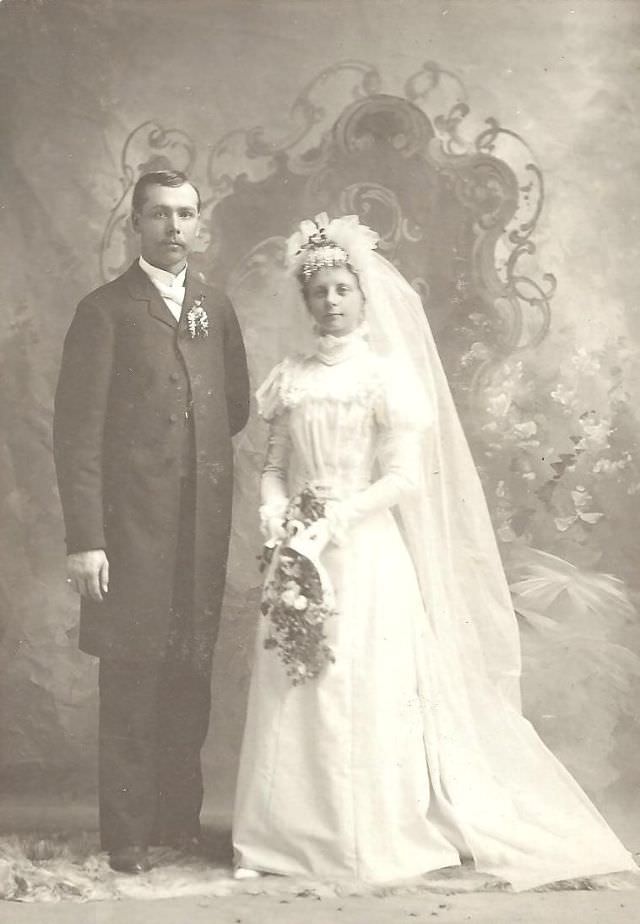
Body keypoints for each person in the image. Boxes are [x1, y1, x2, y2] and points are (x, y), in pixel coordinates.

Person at [232, 213, 637, 890]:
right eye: (318, 292)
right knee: (295, 683)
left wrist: (336, 519)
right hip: (299, 550)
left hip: (362, 549)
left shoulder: (386, 375)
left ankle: (366, 839)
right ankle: (279, 839)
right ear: (305, 303)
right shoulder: (292, 377)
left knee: (360, 685)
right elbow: (274, 464)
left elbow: (403, 479)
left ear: (363, 296)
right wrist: (278, 513)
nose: (330, 302)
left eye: (341, 289)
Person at [53, 170, 250, 874]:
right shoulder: (104, 311)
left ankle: (177, 822)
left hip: (199, 532)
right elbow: (76, 435)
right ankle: (128, 834)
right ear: (135, 223)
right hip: (129, 536)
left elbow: (235, 407)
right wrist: (87, 539)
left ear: (198, 225)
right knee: (133, 678)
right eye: (160, 215)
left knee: (188, 678)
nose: (175, 228)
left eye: (186, 215)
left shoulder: (214, 306)